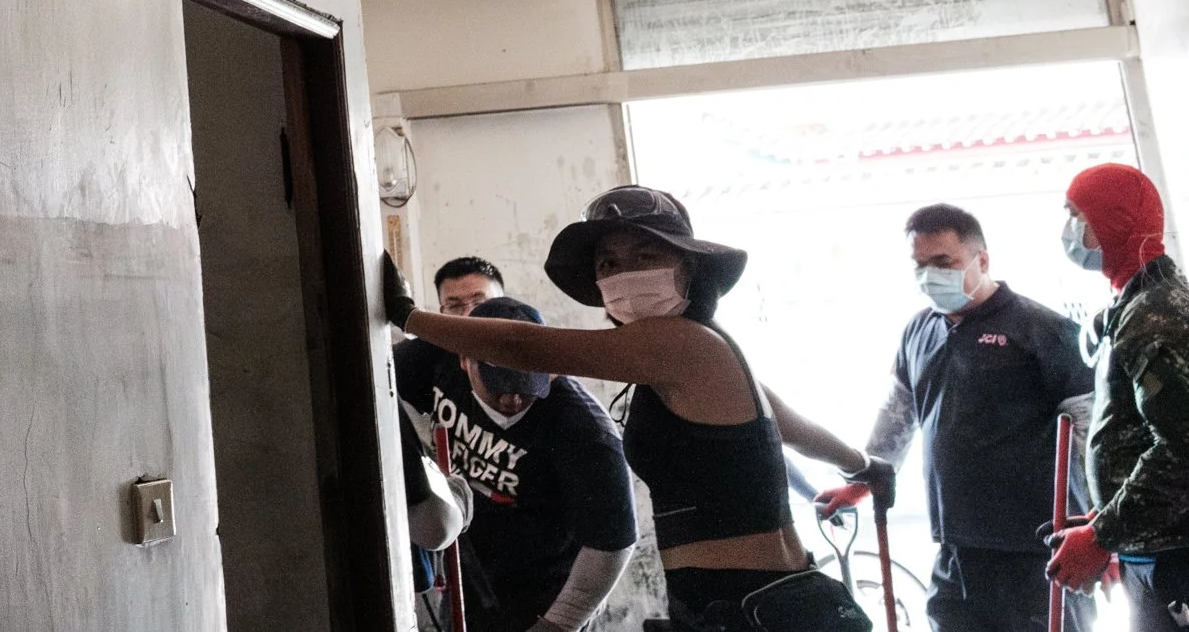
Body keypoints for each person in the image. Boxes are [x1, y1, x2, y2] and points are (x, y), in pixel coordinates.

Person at [386, 185, 885, 630]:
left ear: (688, 267)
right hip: (723, 603)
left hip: (759, 603)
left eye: (647, 254)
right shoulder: (706, 352)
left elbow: (527, 345)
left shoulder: (686, 345)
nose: (626, 274)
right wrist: (864, 467)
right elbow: (791, 426)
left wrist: (409, 315)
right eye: (609, 264)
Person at [837, 202, 1091, 632]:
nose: (929, 276)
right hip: (955, 548)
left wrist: (1099, 532)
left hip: (1035, 552)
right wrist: (865, 477)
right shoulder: (918, 331)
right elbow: (900, 411)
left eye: (943, 262)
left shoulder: (1041, 329)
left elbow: (1089, 430)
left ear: (982, 260)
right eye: (919, 265)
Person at [404, 297, 637, 632]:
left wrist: (557, 625)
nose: (512, 399)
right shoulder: (432, 357)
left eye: (527, 387)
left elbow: (611, 544)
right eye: (498, 385)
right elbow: (379, 392)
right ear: (464, 360)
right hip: (470, 575)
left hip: (550, 590)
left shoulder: (585, 432)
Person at [1046, 163, 1189, 620]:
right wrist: (1104, 518)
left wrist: (1102, 534)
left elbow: (1183, 445)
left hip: (1176, 558)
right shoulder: (1136, 305)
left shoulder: (1156, 314)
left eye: (1077, 215)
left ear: (1114, 221)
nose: (1069, 229)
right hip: (1154, 549)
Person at [395, 256, 508, 415]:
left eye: (480, 303)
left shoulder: (533, 363)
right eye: (454, 306)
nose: (468, 314)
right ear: (442, 313)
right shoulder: (425, 354)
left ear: (506, 304)